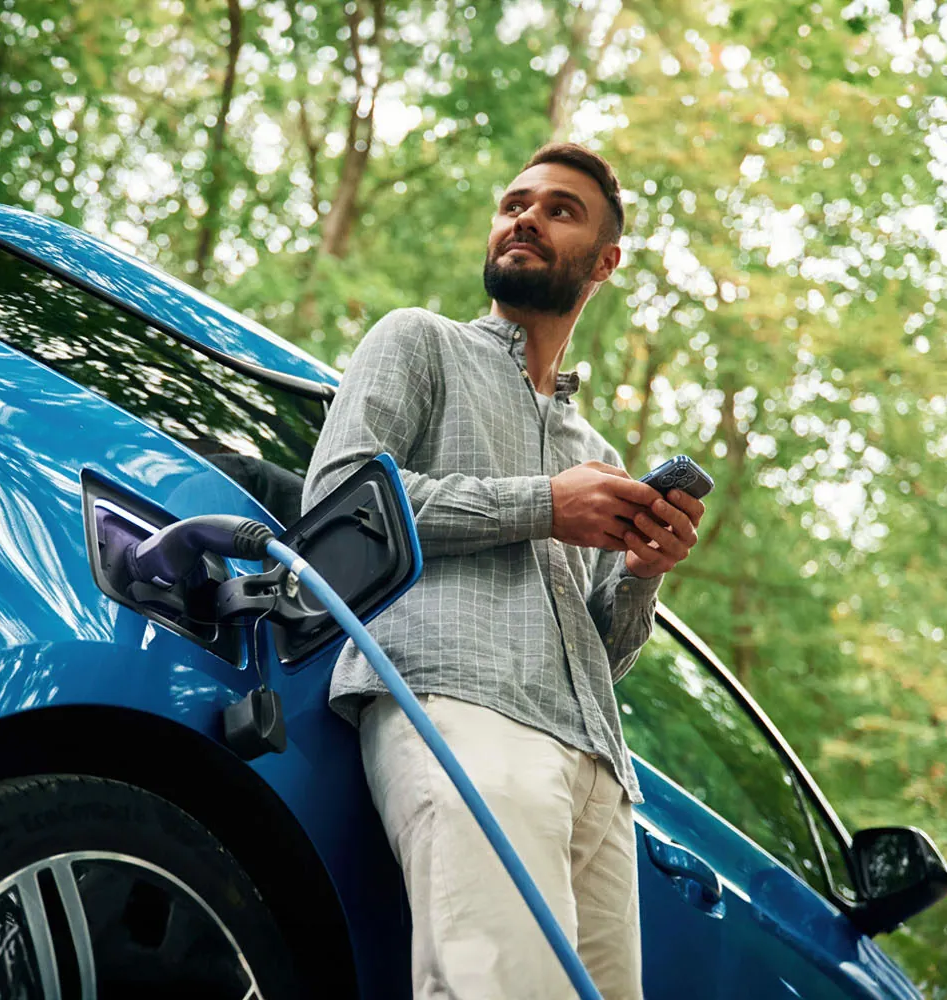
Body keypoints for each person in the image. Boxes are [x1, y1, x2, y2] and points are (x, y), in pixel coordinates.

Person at [302, 142, 705, 1000]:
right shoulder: (419, 342)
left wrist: (640, 571)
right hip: (457, 704)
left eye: (560, 209)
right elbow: (335, 511)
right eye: (515, 203)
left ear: (604, 263)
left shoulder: (596, 454)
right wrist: (542, 506)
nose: (524, 216)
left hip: (601, 776)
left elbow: (609, 653)